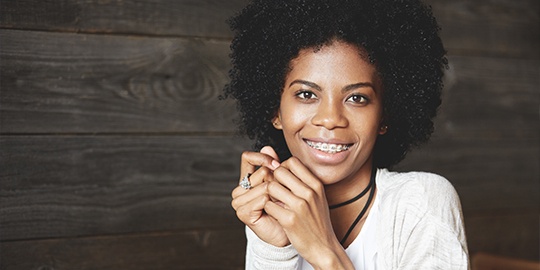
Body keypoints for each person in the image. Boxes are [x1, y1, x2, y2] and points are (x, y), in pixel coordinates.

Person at [223, 0, 470, 269]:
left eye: (356, 98)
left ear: (385, 116)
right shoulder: (275, 208)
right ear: (276, 111)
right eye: (307, 94)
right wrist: (275, 249)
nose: (330, 119)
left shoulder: (422, 201)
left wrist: (324, 251)